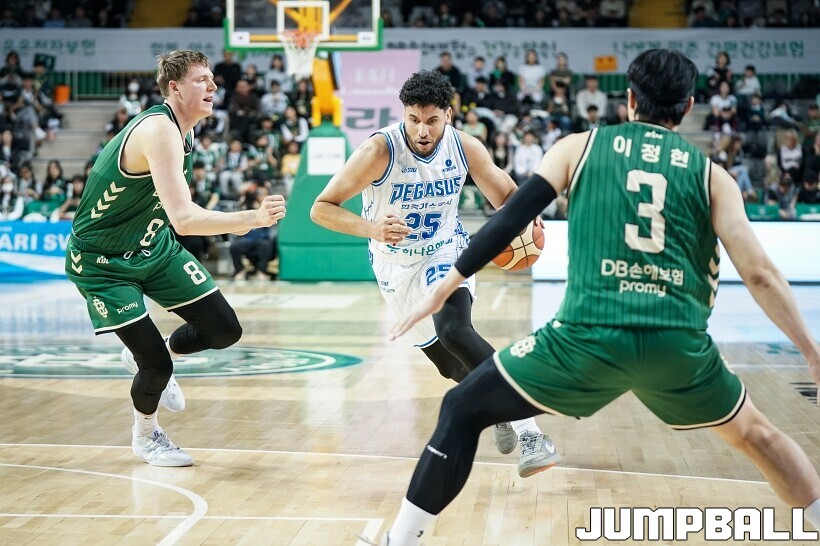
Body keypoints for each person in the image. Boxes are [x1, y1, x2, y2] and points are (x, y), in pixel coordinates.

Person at [378, 49, 820, 545]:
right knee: (761, 437)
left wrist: (445, 285)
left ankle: (401, 540)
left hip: (585, 340)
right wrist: (811, 351)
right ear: (689, 106)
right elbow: (760, 274)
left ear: (628, 99)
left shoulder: (578, 148)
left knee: (461, 408)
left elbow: (510, 219)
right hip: (678, 346)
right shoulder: (713, 176)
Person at [311, 70, 561, 477]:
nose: (422, 130)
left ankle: (531, 433)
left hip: (447, 252)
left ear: (448, 114)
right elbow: (321, 208)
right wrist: (372, 228)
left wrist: (526, 213)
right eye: (413, 119)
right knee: (449, 366)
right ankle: (498, 407)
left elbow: (507, 194)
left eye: (431, 120)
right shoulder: (378, 151)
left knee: (455, 331)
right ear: (404, 114)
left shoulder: (465, 147)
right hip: (394, 267)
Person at [64, 50, 286, 467]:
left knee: (224, 329)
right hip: (102, 262)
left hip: (153, 246)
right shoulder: (158, 130)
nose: (213, 86)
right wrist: (249, 219)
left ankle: (153, 353)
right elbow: (184, 219)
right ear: (174, 88)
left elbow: (172, 210)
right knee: (156, 365)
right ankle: (146, 437)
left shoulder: (184, 132)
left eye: (212, 79)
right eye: (202, 79)